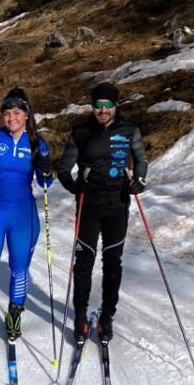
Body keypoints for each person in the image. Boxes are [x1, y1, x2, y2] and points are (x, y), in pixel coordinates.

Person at [56, 82, 148, 344]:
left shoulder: (129, 130)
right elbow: (63, 169)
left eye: (108, 105)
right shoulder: (81, 131)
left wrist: (139, 180)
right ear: (92, 106)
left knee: (113, 263)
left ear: (115, 106)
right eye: (98, 105)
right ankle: (81, 316)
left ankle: (107, 316)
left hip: (118, 205)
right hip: (89, 205)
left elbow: (141, 160)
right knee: (84, 263)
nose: (103, 110)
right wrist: (76, 185)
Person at [0, 87, 53, 343]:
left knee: (19, 270)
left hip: (22, 216)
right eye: (6, 113)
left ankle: (14, 314)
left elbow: (45, 184)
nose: (11, 117)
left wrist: (47, 170)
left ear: (26, 114)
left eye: (16, 112)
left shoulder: (38, 143)